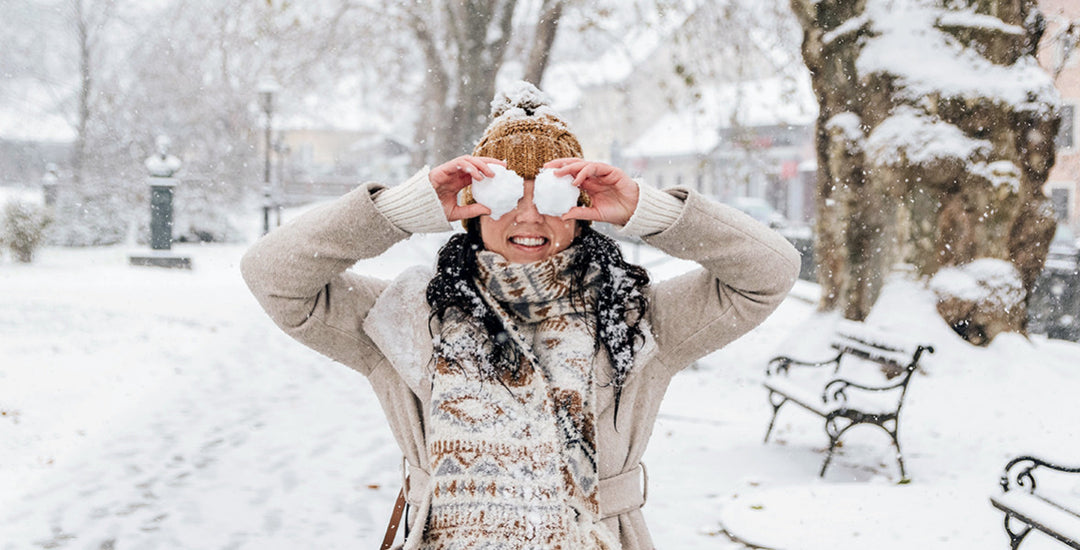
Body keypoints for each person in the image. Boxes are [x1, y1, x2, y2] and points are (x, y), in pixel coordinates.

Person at [241, 81, 800, 550]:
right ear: (472, 210)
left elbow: (770, 270)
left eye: (551, 197)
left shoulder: (633, 315)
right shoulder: (406, 317)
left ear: (580, 212)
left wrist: (647, 211)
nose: (529, 217)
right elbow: (272, 275)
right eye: (509, 195)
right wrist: (399, 211)